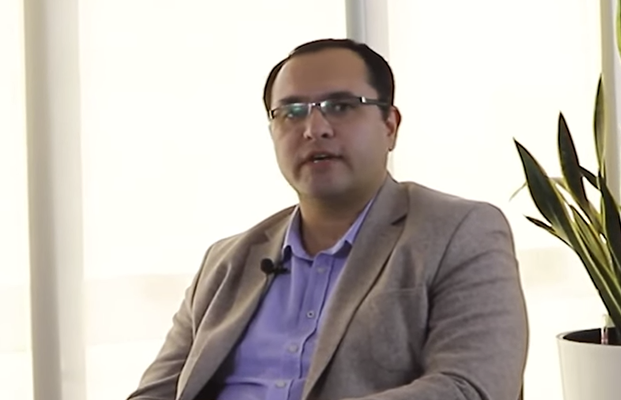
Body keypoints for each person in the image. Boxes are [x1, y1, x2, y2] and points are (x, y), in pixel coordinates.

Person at [126, 38, 529, 400]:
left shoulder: (460, 231)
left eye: (341, 107)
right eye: (292, 112)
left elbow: (471, 388)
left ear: (390, 126)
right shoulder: (227, 261)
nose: (314, 129)